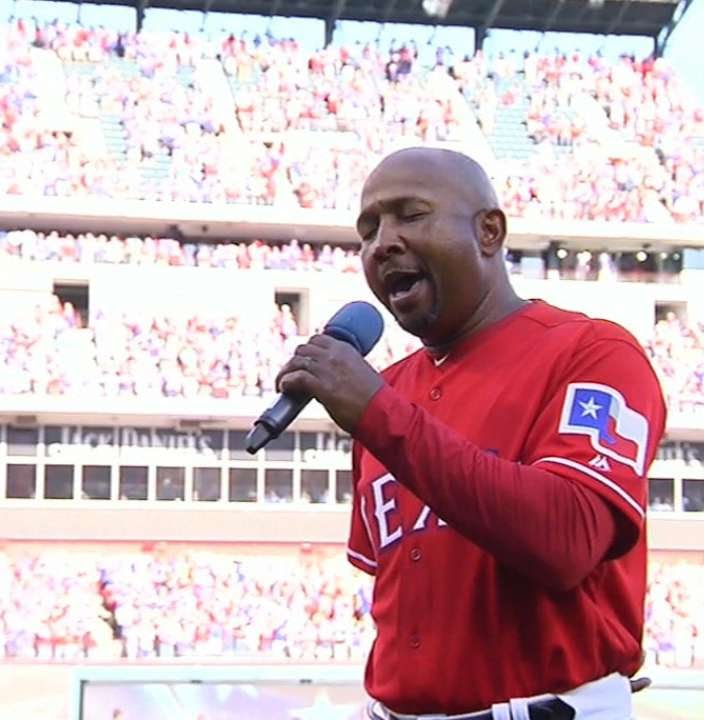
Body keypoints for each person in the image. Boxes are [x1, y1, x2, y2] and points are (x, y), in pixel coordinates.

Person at [276, 147, 667, 720]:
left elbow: (567, 540)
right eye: (368, 229)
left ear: (489, 232)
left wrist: (380, 415)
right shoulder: (385, 395)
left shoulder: (592, 352)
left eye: (410, 215)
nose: (382, 242)